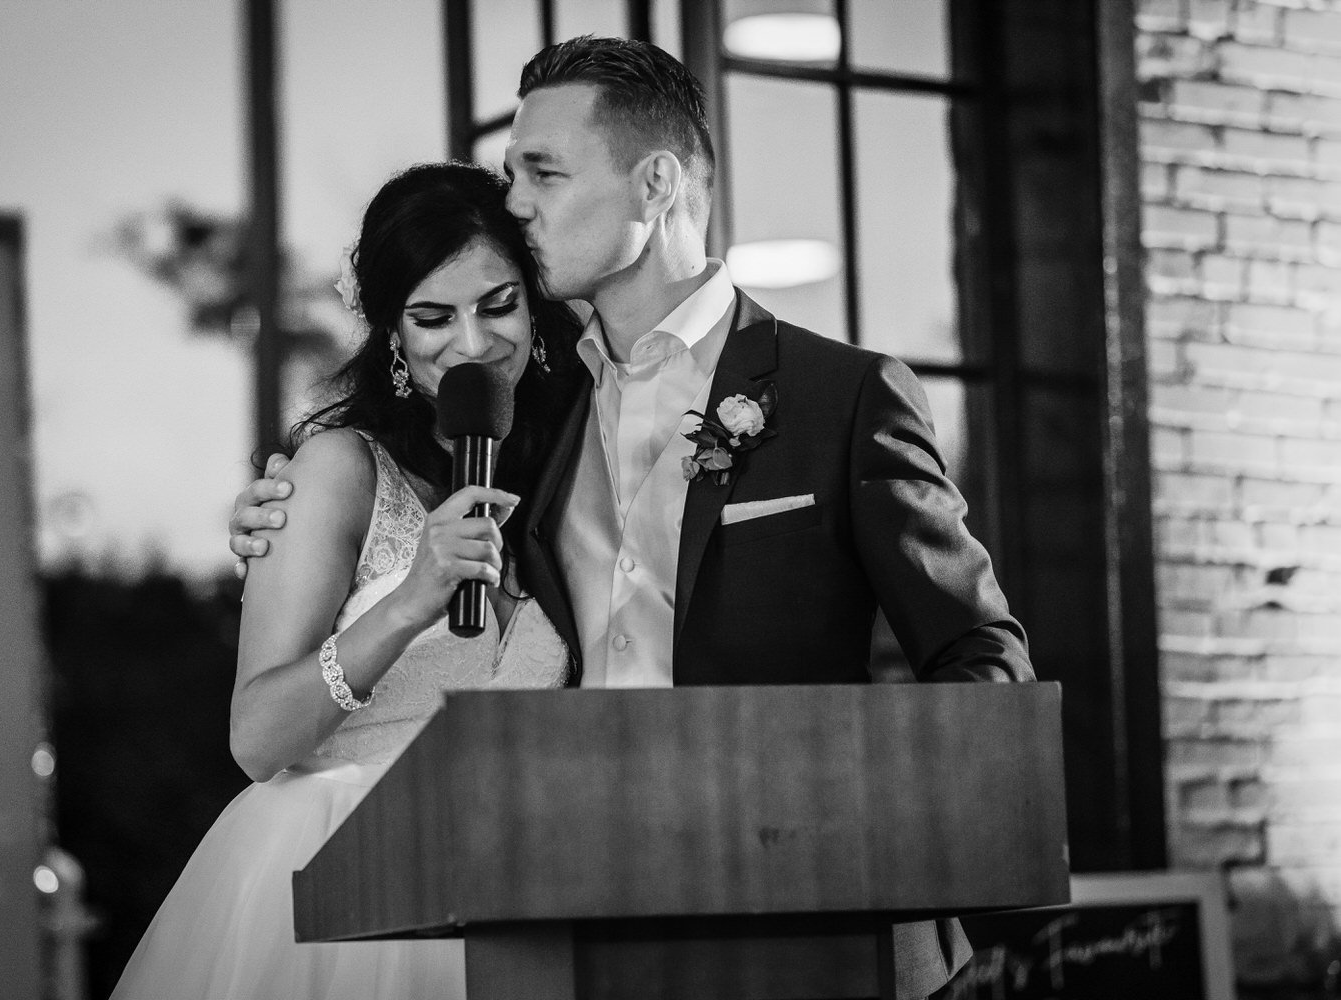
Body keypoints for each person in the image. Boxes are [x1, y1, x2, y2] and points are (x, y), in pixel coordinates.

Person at [229, 37, 1034, 999]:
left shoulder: (844, 396)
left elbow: (980, 657)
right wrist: (279, 524)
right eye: (511, 173)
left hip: (813, 925)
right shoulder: (536, 413)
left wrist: (877, 834)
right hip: (579, 935)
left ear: (654, 185)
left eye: (543, 172)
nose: (516, 201)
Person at [112, 162, 577, 1000]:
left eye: (497, 304)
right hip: (352, 883)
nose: (472, 344)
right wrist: (408, 602)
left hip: (521, 882)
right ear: (393, 337)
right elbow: (255, 737)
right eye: (433, 318)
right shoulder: (338, 471)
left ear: (537, 306)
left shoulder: (569, 472)